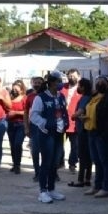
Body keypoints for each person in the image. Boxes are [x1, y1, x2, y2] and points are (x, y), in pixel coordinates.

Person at [29, 71, 69, 203]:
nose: (61, 84)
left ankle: (51, 189)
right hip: (47, 134)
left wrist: (65, 124)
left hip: (59, 133)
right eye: (59, 81)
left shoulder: (61, 96)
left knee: (55, 162)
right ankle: (43, 191)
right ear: (52, 82)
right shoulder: (40, 98)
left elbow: (64, 111)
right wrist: (45, 124)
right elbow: (34, 115)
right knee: (46, 162)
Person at [83, 76, 108, 198]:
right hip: (92, 131)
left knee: (105, 161)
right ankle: (97, 186)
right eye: (97, 82)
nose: (99, 85)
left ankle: (106, 187)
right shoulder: (94, 97)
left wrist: (105, 134)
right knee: (97, 161)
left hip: (103, 134)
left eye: (102, 83)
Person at [68, 78, 93, 187]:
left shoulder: (85, 98)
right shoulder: (91, 97)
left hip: (83, 130)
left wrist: (73, 115)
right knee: (88, 155)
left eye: (79, 85)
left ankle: (80, 180)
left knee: (82, 155)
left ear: (83, 87)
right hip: (88, 129)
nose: (78, 87)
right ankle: (87, 179)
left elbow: (80, 111)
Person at [24, 76, 45, 181]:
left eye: (39, 82)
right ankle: (37, 172)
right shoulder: (30, 97)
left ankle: (50, 172)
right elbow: (26, 112)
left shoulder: (47, 96)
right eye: (35, 82)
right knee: (35, 151)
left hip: (46, 126)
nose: (37, 84)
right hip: (34, 127)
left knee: (47, 151)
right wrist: (26, 127)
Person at [60, 68, 80, 172]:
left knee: (75, 145)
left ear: (79, 77)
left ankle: (72, 164)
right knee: (60, 144)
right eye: (70, 76)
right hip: (62, 121)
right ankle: (60, 162)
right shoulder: (62, 88)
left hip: (75, 121)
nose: (71, 78)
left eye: (74, 76)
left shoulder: (81, 89)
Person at [6, 79, 27, 174]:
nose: (14, 90)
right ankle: (15, 164)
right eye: (13, 88)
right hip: (10, 124)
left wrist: (16, 113)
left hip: (21, 124)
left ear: (22, 90)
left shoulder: (24, 98)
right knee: (12, 145)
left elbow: (27, 112)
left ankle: (18, 165)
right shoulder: (9, 98)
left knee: (18, 144)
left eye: (17, 89)